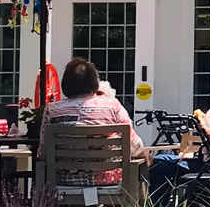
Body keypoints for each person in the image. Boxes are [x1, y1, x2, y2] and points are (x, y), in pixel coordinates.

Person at [43, 56, 147, 185]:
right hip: (107, 181)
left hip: (63, 181)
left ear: (65, 84)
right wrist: (144, 153)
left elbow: (43, 151)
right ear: (95, 84)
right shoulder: (113, 106)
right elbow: (135, 146)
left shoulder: (51, 110)